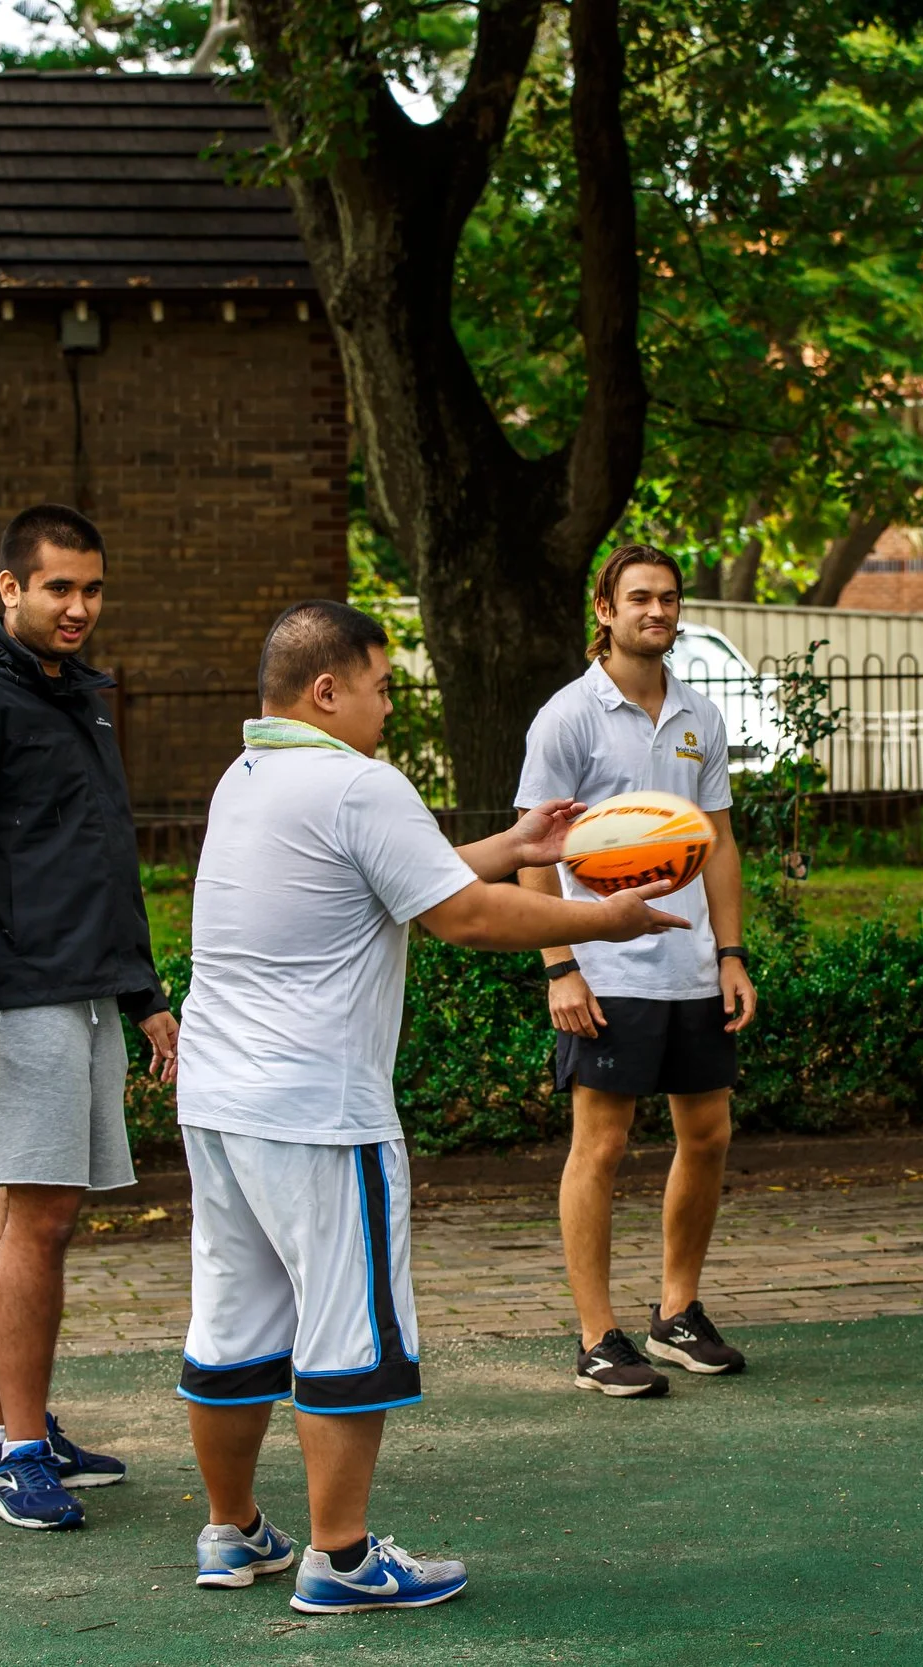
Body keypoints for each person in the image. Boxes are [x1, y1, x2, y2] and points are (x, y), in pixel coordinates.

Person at [173, 600, 688, 1614]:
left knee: (233, 1324)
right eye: (377, 686)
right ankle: (344, 1557)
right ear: (327, 690)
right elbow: (459, 913)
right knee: (348, 1333)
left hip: (220, 1101)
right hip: (320, 1108)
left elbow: (409, 877)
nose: (385, 706)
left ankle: (230, 1532)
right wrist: (606, 920)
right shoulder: (358, 783)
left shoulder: (248, 777)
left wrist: (513, 838)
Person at [0, 503, 176, 1531]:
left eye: (93, 588)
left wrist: (142, 990)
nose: (79, 606)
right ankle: (21, 1449)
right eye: (58, 587)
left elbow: (100, 851)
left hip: (78, 984)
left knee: (15, 1212)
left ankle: (5, 1431)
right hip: (14, 996)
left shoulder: (72, 691)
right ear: (10, 587)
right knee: (40, 1216)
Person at [515, 543, 757, 1398]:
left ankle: (678, 1313)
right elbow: (534, 853)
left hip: (692, 965)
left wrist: (730, 952)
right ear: (605, 609)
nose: (657, 611)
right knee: (604, 1144)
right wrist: (560, 966)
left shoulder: (700, 716)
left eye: (669, 598)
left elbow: (718, 843)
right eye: (640, 598)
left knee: (709, 1135)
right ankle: (596, 1336)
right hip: (606, 966)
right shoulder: (568, 717)